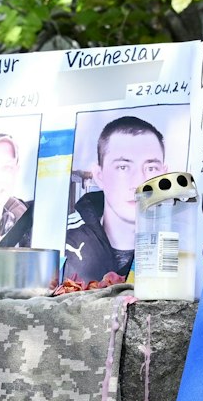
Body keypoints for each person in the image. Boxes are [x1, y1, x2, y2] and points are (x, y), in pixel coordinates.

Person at [66, 114, 166, 282]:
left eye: (151, 168)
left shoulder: (184, 246)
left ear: (164, 175)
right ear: (99, 176)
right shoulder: (62, 240)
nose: (139, 184)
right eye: (123, 167)